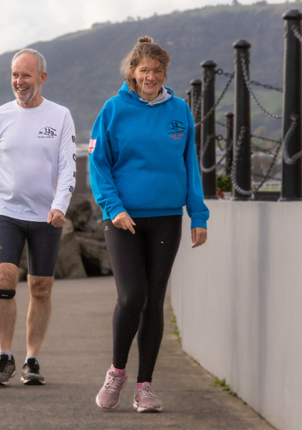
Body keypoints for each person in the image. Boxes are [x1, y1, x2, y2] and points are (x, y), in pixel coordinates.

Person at [90, 36, 208, 413]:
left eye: (157, 71)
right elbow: (99, 165)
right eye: (145, 70)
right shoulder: (112, 110)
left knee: (154, 301)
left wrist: (198, 215)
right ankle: (116, 371)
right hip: (123, 218)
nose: (151, 76)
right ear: (132, 72)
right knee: (131, 296)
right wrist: (113, 207)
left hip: (167, 217)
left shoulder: (179, 110)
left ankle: (145, 386)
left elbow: (191, 165)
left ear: (164, 73)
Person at [0, 48, 77, 386]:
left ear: (42, 78)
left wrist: (60, 205)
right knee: (4, 278)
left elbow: (67, 167)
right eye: (15, 75)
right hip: (8, 212)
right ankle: (4, 356)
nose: (19, 81)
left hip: (47, 216)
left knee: (40, 287)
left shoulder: (60, 116)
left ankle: (31, 359)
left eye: (26, 75)